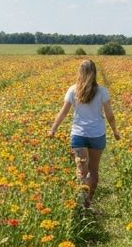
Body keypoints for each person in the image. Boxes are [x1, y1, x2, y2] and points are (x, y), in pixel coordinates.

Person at [48, 59, 119, 207]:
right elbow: (110, 115)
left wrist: (53, 129)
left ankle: (82, 201)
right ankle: (88, 201)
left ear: (79, 73)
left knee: (81, 170)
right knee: (93, 170)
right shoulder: (102, 92)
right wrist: (115, 131)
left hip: (78, 135)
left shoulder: (72, 90)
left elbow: (63, 112)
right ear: (94, 73)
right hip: (97, 135)